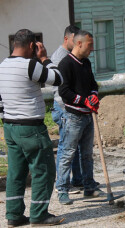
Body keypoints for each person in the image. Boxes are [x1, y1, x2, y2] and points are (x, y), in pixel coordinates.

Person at [0, 29, 65, 226]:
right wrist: (44, 57)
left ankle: (14, 215)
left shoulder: (2, 65)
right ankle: (39, 214)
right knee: (43, 170)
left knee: (16, 172)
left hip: (10, 126)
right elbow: (57, 79)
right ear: (31, 46)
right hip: (30, 127)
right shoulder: (30, 65)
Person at [56, 30, 101, 205]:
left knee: (87, 154)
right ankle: (62, 190)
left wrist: (94, 96)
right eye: (90, 45)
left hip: (88, 117)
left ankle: (88, 186)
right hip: (73, 117)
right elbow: (64, 91)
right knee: (68, 154)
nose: (92, 49)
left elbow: (93, 84)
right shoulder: (65, 64)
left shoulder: (86, 63)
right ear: (79, 44)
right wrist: (83, 100)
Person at [50, 25, 83, 194]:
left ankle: (78, 179)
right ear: (66, 39)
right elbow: (59, 88)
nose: (78, 43)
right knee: (66, 147)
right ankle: (62, 184)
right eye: (74, 40)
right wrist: (67, 107)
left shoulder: (72, 55)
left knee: (74, 146)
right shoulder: (59, 57)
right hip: (63, 107)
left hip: (71, 107)